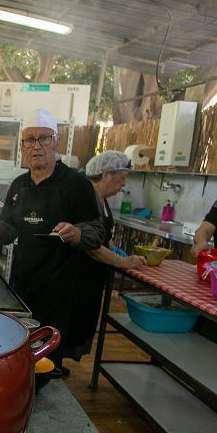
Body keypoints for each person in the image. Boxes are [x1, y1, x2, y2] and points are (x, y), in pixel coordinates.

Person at [0, 108, 105, 377]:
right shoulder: (18, 185)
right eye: (30, 140)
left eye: (44, 139)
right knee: (18, 350)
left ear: (56, 143)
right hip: (21, 283)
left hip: (60, 288)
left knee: (48, 358)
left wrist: (77, 233)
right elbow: (9, 232)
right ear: (23, 147)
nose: (36, 146)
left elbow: (97, 231)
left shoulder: (76, 184)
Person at [66, 151, 150, 357]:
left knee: (83, 320)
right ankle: (56, 363)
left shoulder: (102, 201)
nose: (123, 185)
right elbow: (89, 244)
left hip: (93, 275)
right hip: (78, 273)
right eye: (121, 179)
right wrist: (120, 261)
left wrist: (112, 247)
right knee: (71, 320)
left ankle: (62, 361)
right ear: (105, 175)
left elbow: (102, 236)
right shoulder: (87, 198)